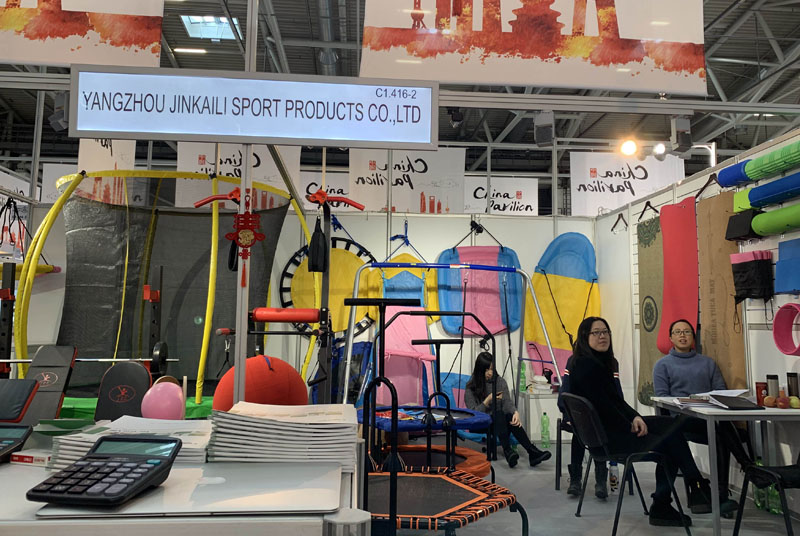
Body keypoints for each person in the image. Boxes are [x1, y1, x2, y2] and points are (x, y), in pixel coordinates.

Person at [567, 317, 711, 527]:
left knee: (670, 426)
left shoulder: (598, 362)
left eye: (605, 332)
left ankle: (692, 484)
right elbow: (604, 408)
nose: (602, 336)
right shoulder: (586, 366)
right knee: (671, 443)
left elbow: (615, 401)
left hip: (606, 434)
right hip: (610, 439)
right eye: (596, 332)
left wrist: (635, 416)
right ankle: (674, 498)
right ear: (584, 337)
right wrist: (630, 425)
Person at [653, 319, 754, 517]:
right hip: (681, 419)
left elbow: (720, 391)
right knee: (722, 430)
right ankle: (746, 467)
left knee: (721, 432)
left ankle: (721, 495)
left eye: (687, 332)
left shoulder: (708, 363)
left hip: (708, 417)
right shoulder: (662, 365)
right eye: (678, 332)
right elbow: (662, 397)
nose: (682, 335)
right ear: (671, 338)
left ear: (693, 337)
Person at [464, 352, 552, 468]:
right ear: (479, 370)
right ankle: (520, 452)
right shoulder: (471, 387)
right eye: (486, 370)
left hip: (499, 422)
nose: (490, 373)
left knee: (509, 416)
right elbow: (473, 414)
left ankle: (525, 452)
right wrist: (487, 401)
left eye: (491, 369)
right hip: (480, 424)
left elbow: (507, 402)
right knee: (499, 414)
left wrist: (515, 412)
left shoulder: (500, 382)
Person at [558, 354, 620, 499]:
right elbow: (565, 390)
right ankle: (575, 480)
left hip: (601, 415)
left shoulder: (611, 362)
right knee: (579, 432)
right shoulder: (573, 361)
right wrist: (567, 415)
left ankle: (601, 481)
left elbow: (616, 392)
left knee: (599, 431)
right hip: (577, 413)